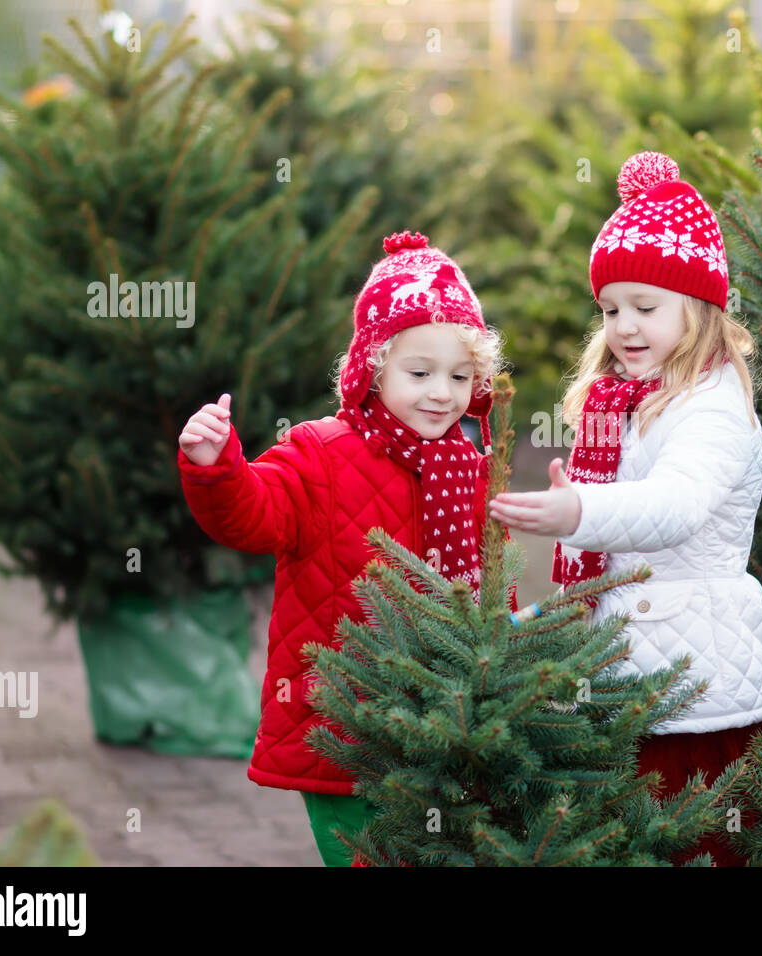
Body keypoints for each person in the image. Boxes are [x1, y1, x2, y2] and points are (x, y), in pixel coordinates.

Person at [177, 230, 512, 866]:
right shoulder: (321, 452)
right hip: (345, 728)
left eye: (460, 376)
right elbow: (254, 515)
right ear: (372, 368)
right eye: (419, 373)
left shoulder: (469, 465)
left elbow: (492, 586)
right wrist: (216, 465)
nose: (441, 393)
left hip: (451, 725)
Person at [489, 151, 762, 866]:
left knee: (699, 843)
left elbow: (676, 505)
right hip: (625, 671)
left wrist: (577, 514)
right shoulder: (620, 400)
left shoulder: (712, 404)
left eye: (645, 307)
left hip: (697, 688)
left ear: (701, 307)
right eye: (611, 308)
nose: (623, 326)